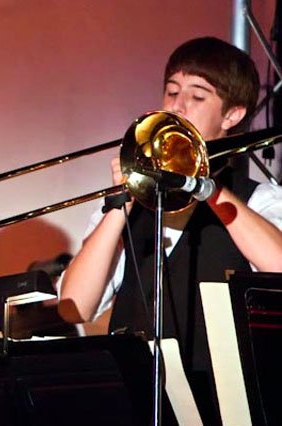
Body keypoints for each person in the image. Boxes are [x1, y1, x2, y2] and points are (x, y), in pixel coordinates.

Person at [58, 37, 282, 424]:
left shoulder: (261, 199)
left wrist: (207, 185)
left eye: (197, 96)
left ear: (232, 115)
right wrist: (119, 205)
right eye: (171, 91)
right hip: (137, 398)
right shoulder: (131, 206)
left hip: (226, 405)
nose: (176, 106)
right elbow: (74, 306)